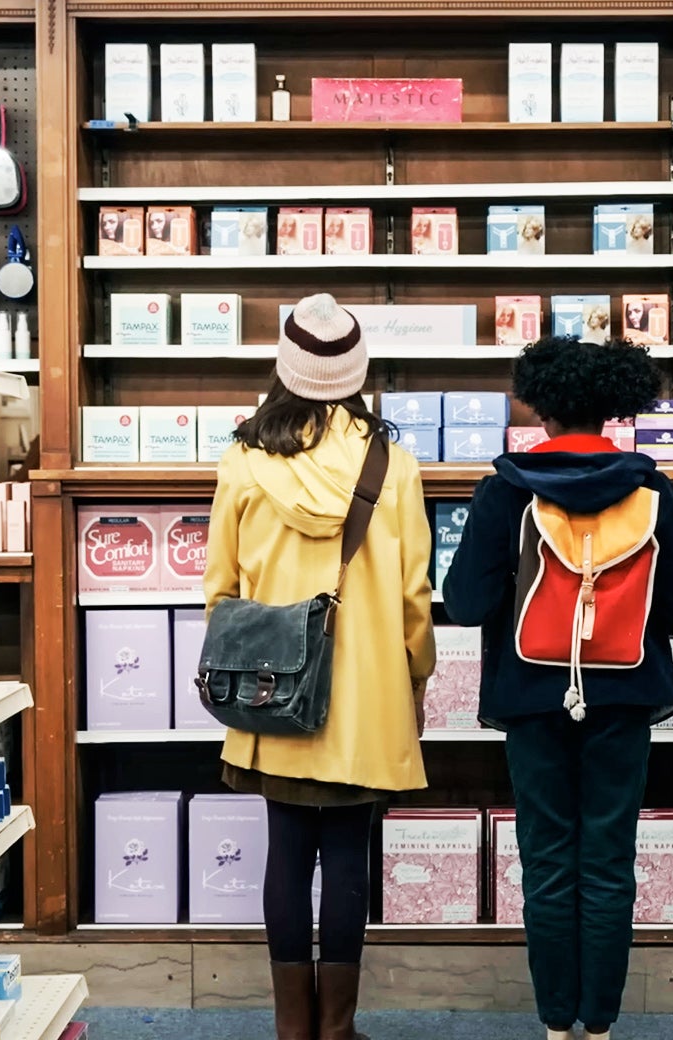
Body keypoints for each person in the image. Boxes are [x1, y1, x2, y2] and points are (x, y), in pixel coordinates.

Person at [442, 337, 673, 1040]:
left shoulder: (504, 489)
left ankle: (556, 1023)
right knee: (608, 854)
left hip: (532, 696)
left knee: (548, 856)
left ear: (542, 407)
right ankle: (601, 1025)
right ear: (615, 409)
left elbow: (466, 602)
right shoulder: (651, 489)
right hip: (625, 692)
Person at [204, 293, 436, 1040]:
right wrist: (417, 679)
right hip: (365, 699)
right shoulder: (392, 465)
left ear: (286, 368)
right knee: (346, 862)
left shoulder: (242, 458)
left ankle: (290, 1029)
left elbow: (220, 588)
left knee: (285, 854)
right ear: (358, 375)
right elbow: (413, 598)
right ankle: (337, 1030)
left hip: (272, 688)